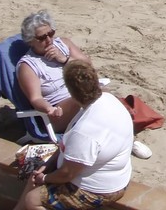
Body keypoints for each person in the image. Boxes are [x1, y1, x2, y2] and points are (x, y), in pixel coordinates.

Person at [13, 60, 133, 210]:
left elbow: (67, 174)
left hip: (97, 190)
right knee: (36, 173)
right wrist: (48, 164)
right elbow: (68, 148)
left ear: (70, 91)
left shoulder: (85, 131)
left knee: (32, 200)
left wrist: (45, 178)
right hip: (115, 176)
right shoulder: (109, 100)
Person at [15, 11, 92, 134]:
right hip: (59, 112)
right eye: (42, 38)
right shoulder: (28, 66)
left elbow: (88, 65)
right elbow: (35, 98)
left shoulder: (63, 44)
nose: (49, 40)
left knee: (105, 97)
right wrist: (49, 109)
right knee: (93, 97)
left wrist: (64, 59)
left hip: (82, 96)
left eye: (51, 34)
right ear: (30, 41)